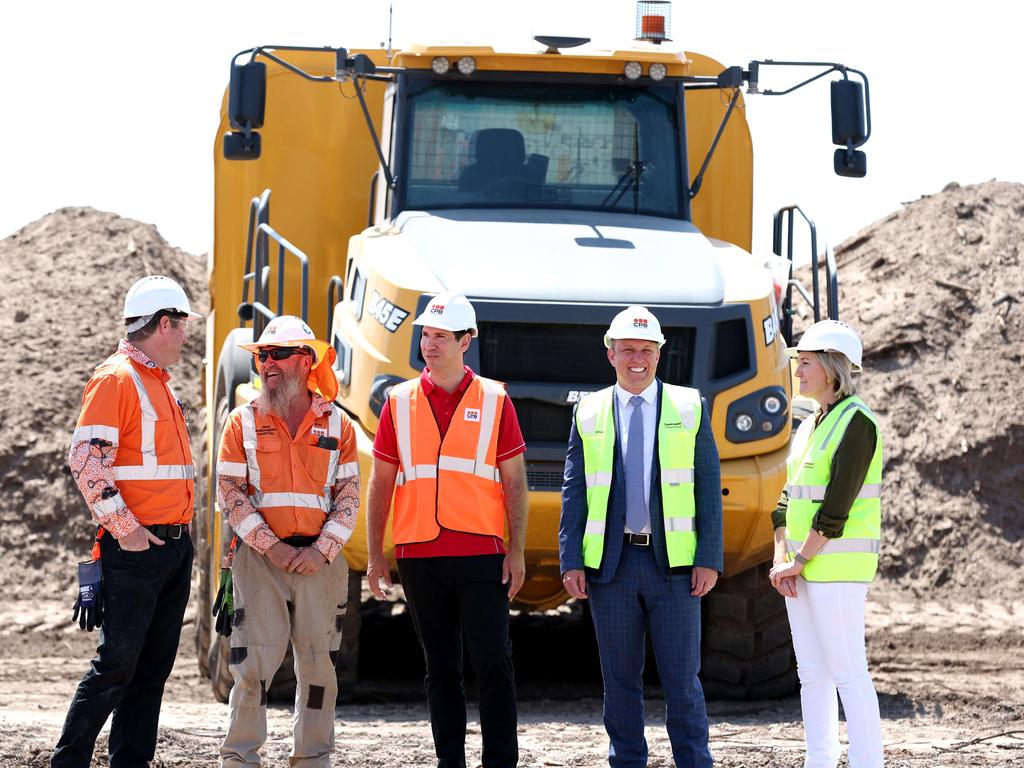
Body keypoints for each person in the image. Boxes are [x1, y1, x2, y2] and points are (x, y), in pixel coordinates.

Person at [366, 292, 528, 768]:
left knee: (494, 661)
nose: (429, 344)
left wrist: (515, 551)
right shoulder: (398, 401)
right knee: (440, 668)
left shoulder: (496, 400)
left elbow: (515, 482)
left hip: (481, 553)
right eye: (426, 334)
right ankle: (449, 763)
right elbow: (382, 481)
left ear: (466, 340)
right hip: (419, 554)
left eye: (439, 336)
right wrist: (377, 555)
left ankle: (500, 761)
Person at [559, 305, 722, 768]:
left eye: (646, 350)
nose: (637, 358)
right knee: (619, 682)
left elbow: (708, 486)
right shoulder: (588, 411)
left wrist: (708, 556)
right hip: (611, 569)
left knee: (681, 682)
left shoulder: (690, 407)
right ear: (610, 354)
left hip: (674, 569)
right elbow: (575, 492)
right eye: (628, 349)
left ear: (658, 354)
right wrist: (571, 558)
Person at [53, 275, 201, 768]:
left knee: (151, 670)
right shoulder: (117, 378)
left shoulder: (157, 382)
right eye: (181, 326)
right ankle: (68, 761)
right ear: (163, 323)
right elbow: (85, 460)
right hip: (138, 551)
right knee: (117, 665)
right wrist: (130, 533)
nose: (186, 336)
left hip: (172, 550)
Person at [215, 315, 359, 767]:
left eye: (276, 355)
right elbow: (230, 493)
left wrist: (322, 550)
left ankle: (314, 759)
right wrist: (272, 546)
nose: (266, 364)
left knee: (318, 668)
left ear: (305, 360)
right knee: (251, 667)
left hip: (320, 560)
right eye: (261, 356)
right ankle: (240, 759)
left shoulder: (339, 425)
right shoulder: (241, 422)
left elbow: (350, 496)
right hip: (259, 560)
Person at [768, 319, 884, 768]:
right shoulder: (810, 424)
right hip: (801, 568)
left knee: (848, 672)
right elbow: (785, 500)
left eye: (807, 362)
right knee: (812, 676)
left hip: (835, 570)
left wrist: (798, 561)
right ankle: (819, 760)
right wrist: (783, 557)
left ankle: (866, 763)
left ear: (833, 368)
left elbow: (836, 508)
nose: (798, 370)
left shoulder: (858, 424)